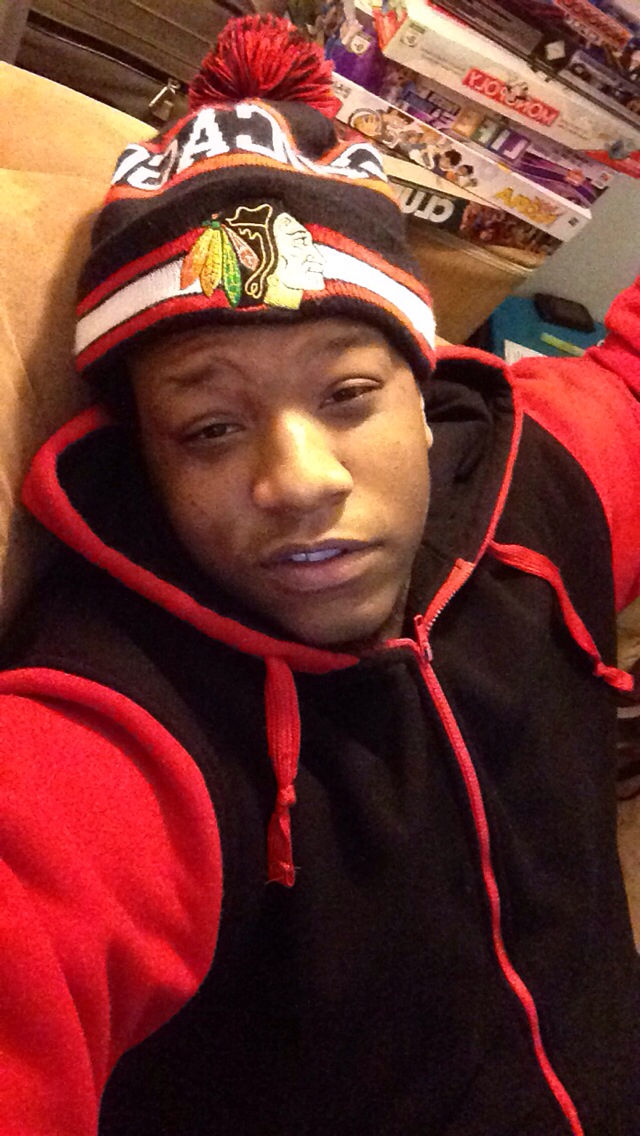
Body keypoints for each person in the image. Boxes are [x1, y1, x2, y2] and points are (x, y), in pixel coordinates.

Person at [0, 13, 639, 1136]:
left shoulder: (539, 485)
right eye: (209, 428)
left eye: (347, 395)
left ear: (423, 394)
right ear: (144, 459)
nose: (298, 482)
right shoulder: (124, 720)